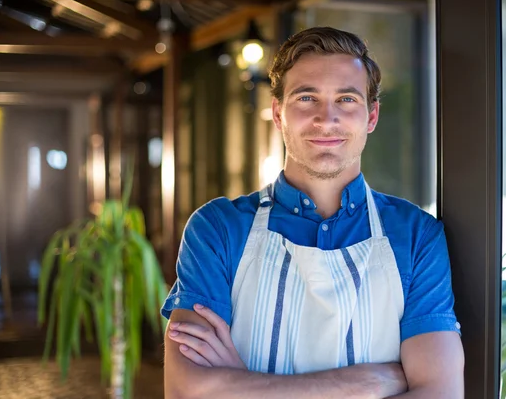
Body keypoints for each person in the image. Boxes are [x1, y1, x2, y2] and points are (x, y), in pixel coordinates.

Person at [161, 26, 464, 398]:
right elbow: (184, 391)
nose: (326, 119)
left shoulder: (417, 236)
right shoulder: (218, 228)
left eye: (347, 100)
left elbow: (440, 393)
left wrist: (240, 384)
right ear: (278, 113)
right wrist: (362, 384)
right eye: (306, 98)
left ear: (371, 117)